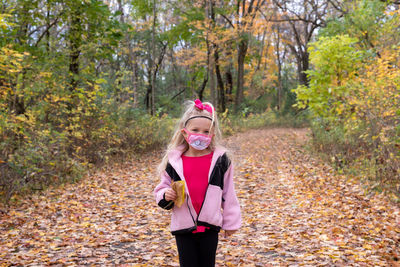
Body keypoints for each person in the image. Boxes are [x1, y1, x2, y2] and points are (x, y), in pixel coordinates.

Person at [154, 99, 241, 267]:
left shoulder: (221, 161)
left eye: (206, 131)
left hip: (210, 226)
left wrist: (231, 221)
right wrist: (165, 194)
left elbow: (228, 193)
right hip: (183, 226)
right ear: (185, 133)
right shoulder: (174, 162)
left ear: (212, 135)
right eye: (195, 130)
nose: (200, 134)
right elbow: (162, 187)